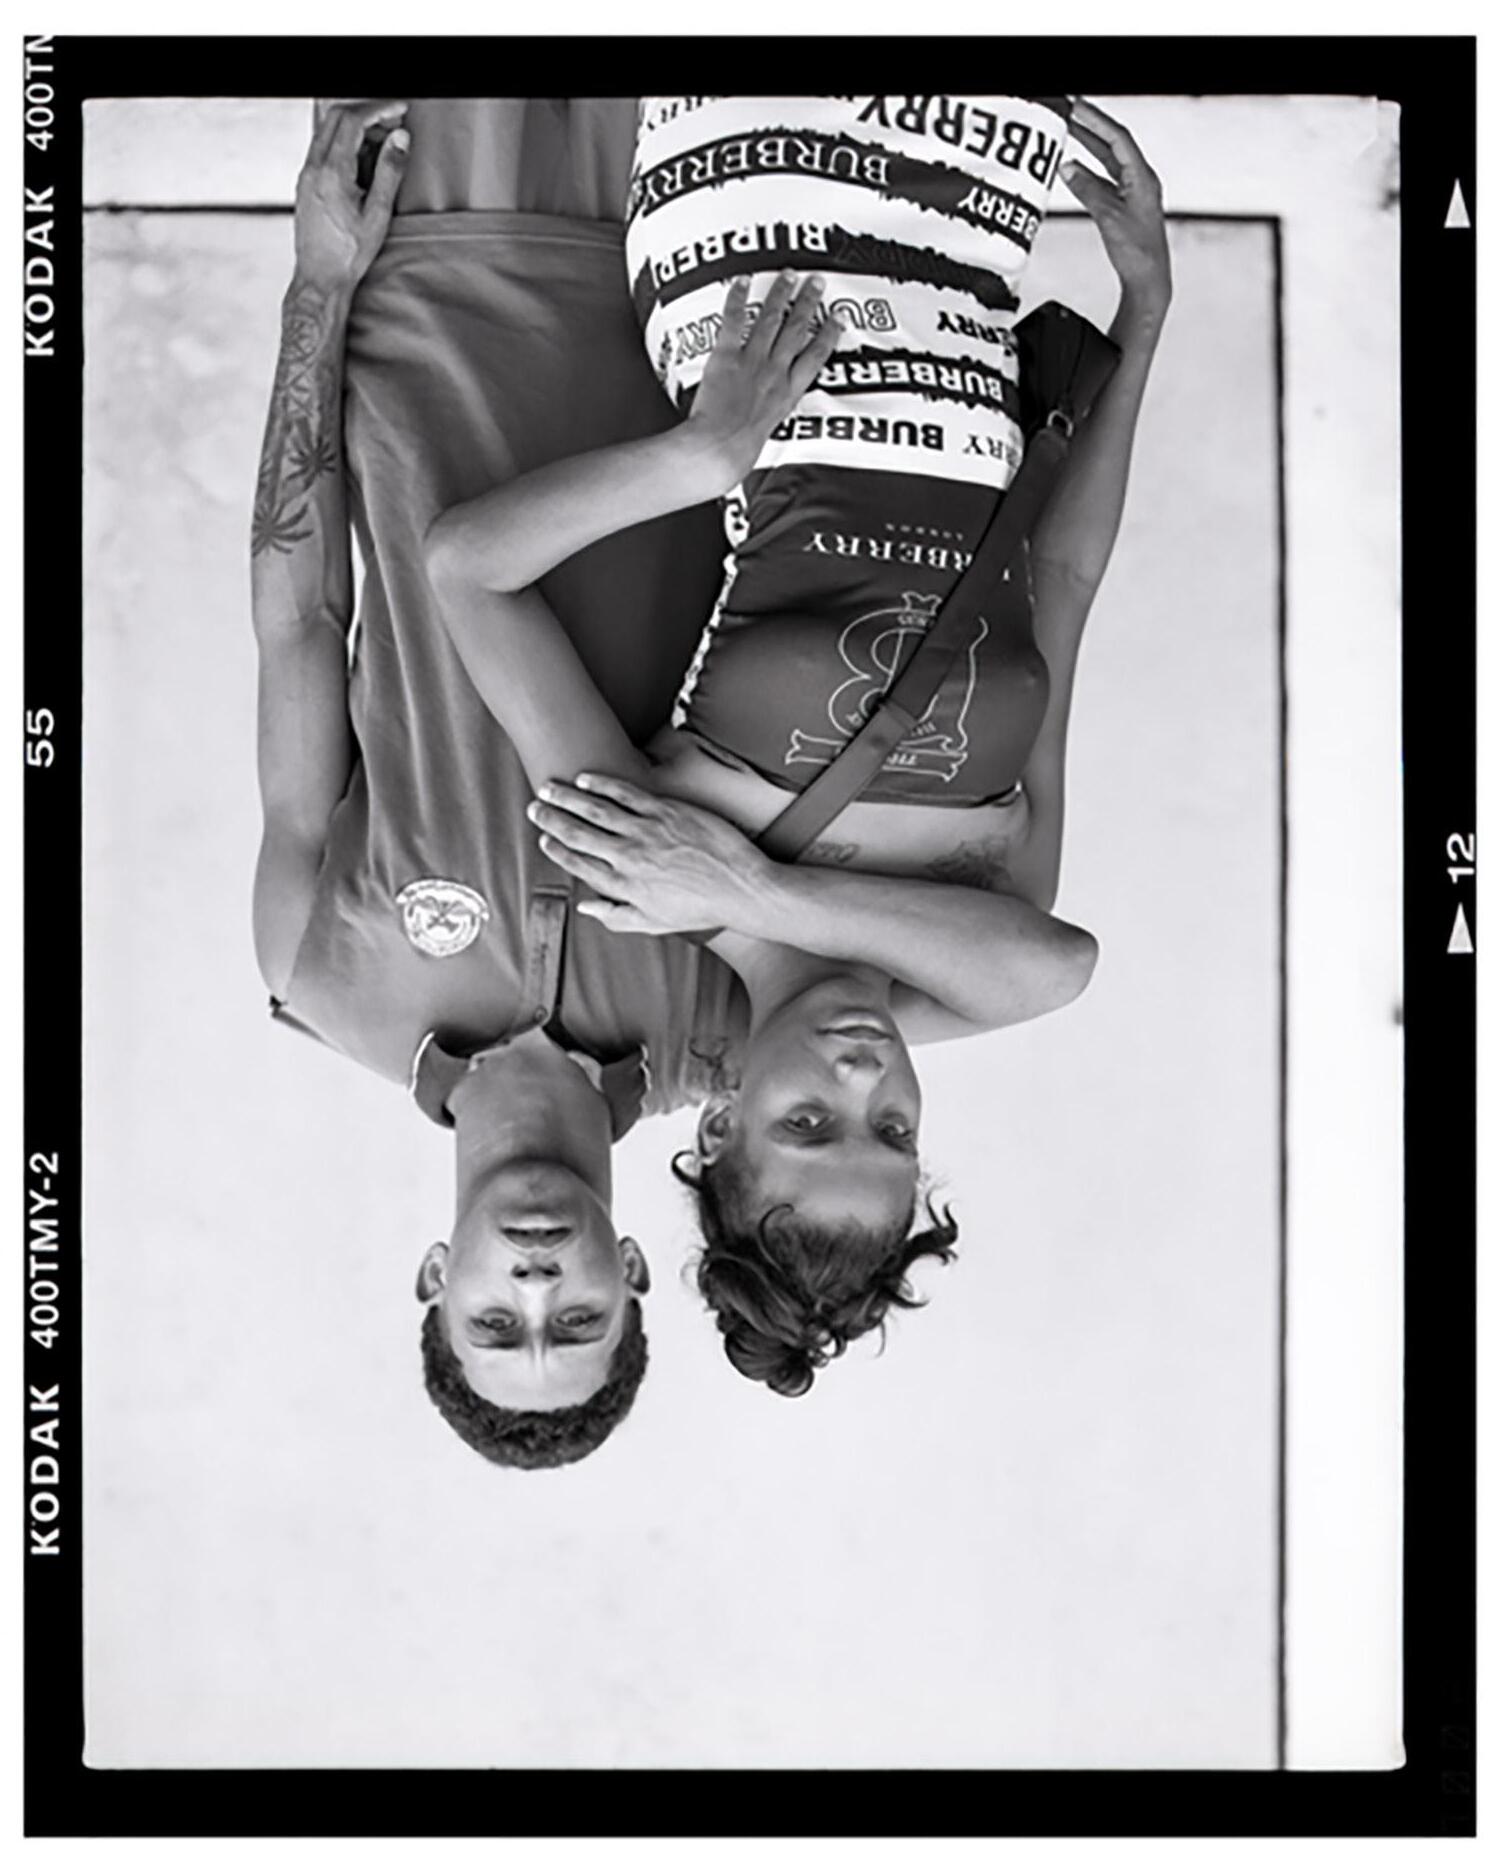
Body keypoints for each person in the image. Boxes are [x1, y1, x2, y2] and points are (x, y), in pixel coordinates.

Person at [425, 96, 1170, 1395]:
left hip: (768, 258)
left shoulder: (645, 861)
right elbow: (1059, 586)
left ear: (721, 1125)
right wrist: (1144, 315)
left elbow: (468, 571)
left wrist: (703, 452)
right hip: (965, 259)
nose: (865, 1077)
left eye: (811, 1121)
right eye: (894, 1130)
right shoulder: (964, 936)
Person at [249, 98, 735, 1466]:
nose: (534, 1285)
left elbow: (300, 622)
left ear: (434, 1280)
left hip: (432, 266)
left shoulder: (318, 970)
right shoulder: (729, 1019)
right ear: (631, 1276)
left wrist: (319, 285)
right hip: (687, 292)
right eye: (575, 1320)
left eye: (494, 1324)